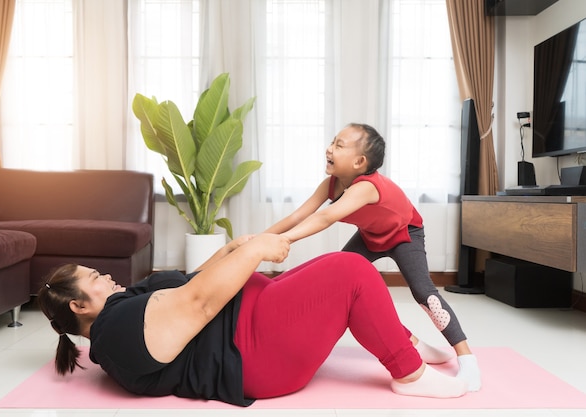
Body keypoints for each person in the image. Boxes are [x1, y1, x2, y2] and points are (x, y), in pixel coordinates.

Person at [37, 233, 468, 407]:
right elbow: (201, 303)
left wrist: (237, 247)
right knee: (353, 273)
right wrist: (254, 251)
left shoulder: (122, 310)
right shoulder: (116, 331)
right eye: (95, 278)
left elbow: (193, 282)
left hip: (252, 321)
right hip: (253, 350)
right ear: (78, 306)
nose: (107, 276)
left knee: (339, 262)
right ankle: (407, 372)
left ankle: (401, 340)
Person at [263, 123, 481, 392]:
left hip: (405, 234)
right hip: (370, 236)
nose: (329, 148)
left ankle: (466, 357)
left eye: (339, 145)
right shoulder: (331, 185)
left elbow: (326, 217)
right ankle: (412, 344)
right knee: (336, 284)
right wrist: (261, 238)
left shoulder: (366, 187)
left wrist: (285, 240)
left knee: (425, 293)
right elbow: (299, 215)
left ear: (359, 161)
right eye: (332, 142)